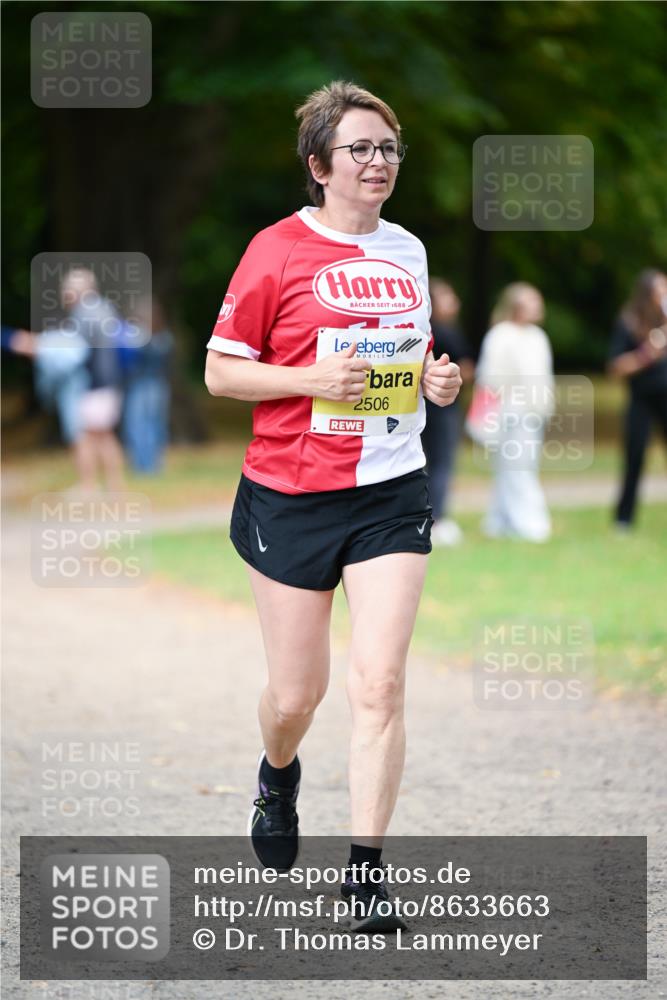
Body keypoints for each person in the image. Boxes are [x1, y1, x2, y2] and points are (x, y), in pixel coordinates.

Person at [204, 80, 461, 932]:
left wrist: (437, 378)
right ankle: (277, 777)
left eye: (388, 148)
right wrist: (307, 380)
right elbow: (220, 371)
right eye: (360, 148)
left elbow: (410, 355)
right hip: (291, 492)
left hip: (389, 489)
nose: (378, 162)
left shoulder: (409, 251)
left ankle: (364, 875)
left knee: (379, 683)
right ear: (320, 165)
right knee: (295, 694)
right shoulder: (274, 251)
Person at [475, 282, 554, 542]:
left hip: (532, 412)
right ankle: (530, 523)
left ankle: (499, 521)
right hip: (509, 412)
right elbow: (491, 378)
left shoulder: (537, 336)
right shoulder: (501, 335)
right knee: (515, 467)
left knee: (520, 466)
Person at [607, 269, 667, 529]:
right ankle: (624, 518)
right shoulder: (629, 322)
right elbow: (615, 368)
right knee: (635, 457)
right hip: (641, 399)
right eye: (660, 289)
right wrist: (647, 354)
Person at [420, 278, 474, 545]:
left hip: (416, 408)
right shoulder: (447, 331)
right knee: (442, 462)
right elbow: (466, 368)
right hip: (443, 409)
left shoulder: (417, 330)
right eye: (447, 297)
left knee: (423, 463)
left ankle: (423, 514)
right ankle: (438, 518)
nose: (454, 302)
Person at [120, 296, 174, 474]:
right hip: (151, 385)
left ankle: (147, 466)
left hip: (146, 385)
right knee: (146, 424)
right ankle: (147, 464)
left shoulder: (150, 338)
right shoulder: (161, 337)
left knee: (145, 425)